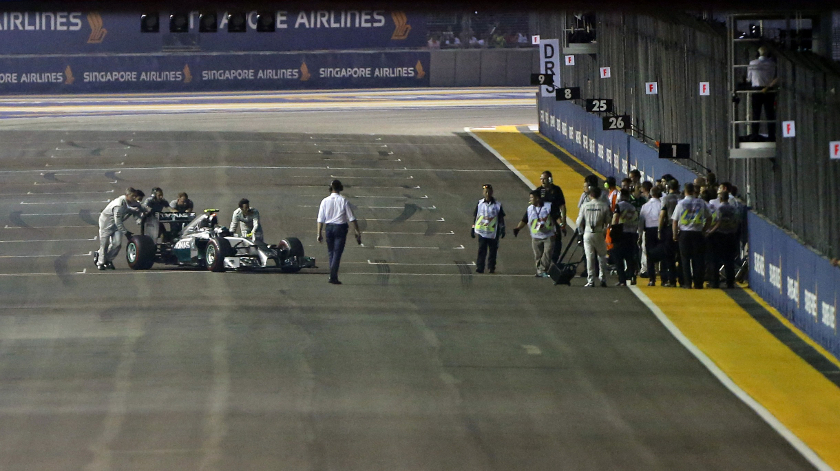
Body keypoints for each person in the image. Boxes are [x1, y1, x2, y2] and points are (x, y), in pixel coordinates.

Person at [316, 180, 361, 285]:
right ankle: (333, 275)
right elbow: (352, 218)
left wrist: (319, 233)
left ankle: (333, 275)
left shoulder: (324, 201)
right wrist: (357, 231)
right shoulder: (343, 200)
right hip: (340, 228)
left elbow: (320, 219)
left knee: (331, 252)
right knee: (337, 252)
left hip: (329, 228)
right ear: (340, 188)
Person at [672, 183, 712, 289]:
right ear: (693, 191)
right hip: (698, 233)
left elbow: (675, 221)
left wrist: (675, 234)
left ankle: (687, 282)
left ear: (685, 191)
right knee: (698, 259)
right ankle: (698, 283)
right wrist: (704, 229)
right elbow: (709, 218)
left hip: (684, 233)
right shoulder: (701, 202)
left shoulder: (681, 203)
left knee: (685, 260)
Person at [95, 187, 144, 270]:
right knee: (105, 244)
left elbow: (138, 207)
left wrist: (145, 213)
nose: (134, 198)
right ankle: (100, 262)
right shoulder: (119, 205)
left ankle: (108, 260)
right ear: (127, 195)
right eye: (133, 196)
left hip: (116, 225)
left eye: (135, 196)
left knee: (117, 244)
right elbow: (118, 221)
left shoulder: (130, 201)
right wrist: (126, 232)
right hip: (106, 224)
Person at [512, 189, 555, 278]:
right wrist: (518, 228)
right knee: (538, 255)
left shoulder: (548, 207)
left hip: (548, 235)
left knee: (547, 253)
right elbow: (524, 220)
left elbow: (556, 216)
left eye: (532, 198)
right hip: (536, 236)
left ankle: (542, 270)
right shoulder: (530, 209)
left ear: (537, 198)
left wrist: (562, 225)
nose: (530, 199)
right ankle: (540, 271)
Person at [576, 186, 611, 287]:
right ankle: (602, 278)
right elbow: (608, 222)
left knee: (589, 257)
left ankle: (591, 280)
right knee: (602, 256)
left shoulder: (585, 206)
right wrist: (604, 230)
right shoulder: (604, 206)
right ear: (599, 195)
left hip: (587, 232)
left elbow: (578, 222)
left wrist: (581, 232)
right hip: (599, 232)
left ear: (590, 195)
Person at [707, 191, 741, 289]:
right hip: (731, 235)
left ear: (720, 198)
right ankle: (730, 282)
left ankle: (715, 282)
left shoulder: (718, 209)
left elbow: (716, 221)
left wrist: (710, 231)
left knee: (715, 260)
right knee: (729, 260)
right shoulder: (734, 209)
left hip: (719, 236)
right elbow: (737, 221)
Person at [471, 184, 506, 274]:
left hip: (493, 232)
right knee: (481, 250)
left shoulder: (497, 205)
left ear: (492, 192)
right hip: (482, 231)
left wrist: (502, 228)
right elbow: (476, 217)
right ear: (483, 193)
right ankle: (480, 267)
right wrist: (473, 228)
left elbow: (501, 218)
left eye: (489, 192)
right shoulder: (480, 203)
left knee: (493, 251)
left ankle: (491, 267)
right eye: (485, 192)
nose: (487, 193)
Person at [746, 46, 778, 141]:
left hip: (756, 90)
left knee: (756, 113)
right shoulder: (772, 64)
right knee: (770, 113)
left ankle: (755, 134)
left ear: (757, 54)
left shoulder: (753, 63)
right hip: (769, 90)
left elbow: (749, 78)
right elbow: (774, 76)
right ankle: (771, 135)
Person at [610, 189, 639, 286]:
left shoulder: (619, 205)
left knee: (618, 258)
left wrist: (612, 229)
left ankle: (622, 280)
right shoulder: (633, 207)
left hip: (621, 233)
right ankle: (632, 276)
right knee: (630, 257)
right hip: (632, 233)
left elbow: (615, 218)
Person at [539, 170, 567, 262]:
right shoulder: (538, 191)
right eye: (541, 179)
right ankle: (544, 260)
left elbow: (562, 206)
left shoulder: (556, 190)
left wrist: (563, 221)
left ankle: (554, 260)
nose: (542, 181)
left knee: (557, 241)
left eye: (544, 179)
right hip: (542, 221)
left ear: (550, 179)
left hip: (555, 220)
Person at [659, 179, 681, 287]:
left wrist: (659, 230)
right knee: (681, 255)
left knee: (669, 256)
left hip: (669, 227)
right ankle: (683, 279)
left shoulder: (666, 198)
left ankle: (671, 280)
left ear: (668, 187)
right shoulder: (682, 197)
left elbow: (662, 215)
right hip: (682, 228)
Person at [639, 186, 663, 286]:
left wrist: (640, 235)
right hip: (660, 230)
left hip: (649, 231)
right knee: (663, 254)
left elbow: (641, 222)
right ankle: (664, 279)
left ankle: (652, 279)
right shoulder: (661, 205)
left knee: (649, 256)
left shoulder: (645, 206)